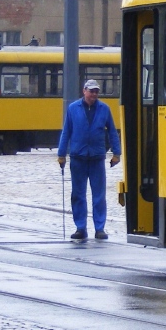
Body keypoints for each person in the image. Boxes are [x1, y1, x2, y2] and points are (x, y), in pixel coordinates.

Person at [57, 79, 121, 240]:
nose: (93, 94)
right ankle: (80, 227)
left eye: (96, 92)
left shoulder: (104, 109)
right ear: (84, 91)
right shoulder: (73, 109)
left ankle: (100, 228)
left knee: (99, 195)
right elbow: (66, 132)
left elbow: (112, 132)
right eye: (91, 91)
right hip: (78, 157)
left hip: (97, 157)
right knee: (78, 194)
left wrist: (117, 153)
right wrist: (61, 154)